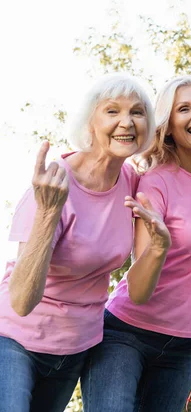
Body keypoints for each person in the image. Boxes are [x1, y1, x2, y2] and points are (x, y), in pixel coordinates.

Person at [0, 73, 159, 412]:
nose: (126, 122)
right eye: (112, 111)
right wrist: (48, 214)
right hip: (13, 341)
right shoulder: (54, 184)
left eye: (137, 111)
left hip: (75, 348)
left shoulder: (131, 181)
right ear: (90, 122)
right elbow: (21, 301)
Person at [81, 75, 191, 412]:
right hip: (125, 334)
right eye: (184, 109)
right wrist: (160, 247)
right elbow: (137, 291)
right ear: (169, 125)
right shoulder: (155, 182)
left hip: (183, 344)